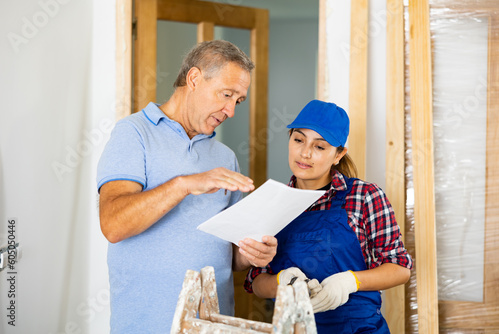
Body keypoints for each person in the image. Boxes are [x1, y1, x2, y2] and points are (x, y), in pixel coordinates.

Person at [97, 40, 277, 333]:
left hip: (212, 325)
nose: (231, 110)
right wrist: (184, 184)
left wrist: (252, 253)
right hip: (146, 326)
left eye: (238, 101)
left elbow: (231, 256)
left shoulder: (225, 157)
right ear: (194, 79)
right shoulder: (133, 134)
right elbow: (113, 224)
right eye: (226, 94)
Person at [244, 100, 412, 333]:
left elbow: (400, 268)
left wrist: (350, 282)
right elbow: (257, 281)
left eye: (320, 147)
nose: (305, 153)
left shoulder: (365, 196)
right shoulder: (272, 203)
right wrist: (281, 282)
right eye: (298, 140)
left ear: (338, 154)